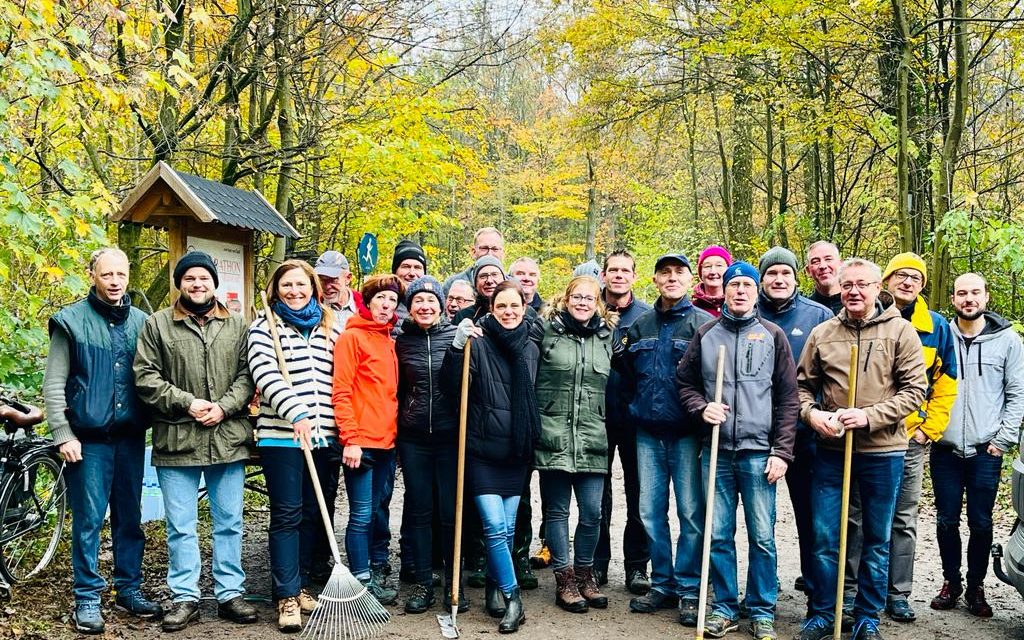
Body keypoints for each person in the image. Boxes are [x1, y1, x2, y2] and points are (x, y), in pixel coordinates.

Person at [795, 258, 927, 640]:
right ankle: (823, 611)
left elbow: (915, 392)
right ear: (839, 288)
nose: (854, 291)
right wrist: (813, 415)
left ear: (876, 288)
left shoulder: (901, 332)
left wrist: (868, 416)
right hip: (832, 453)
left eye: (863, 284)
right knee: (824, 535)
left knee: (876, 535)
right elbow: (802, 388)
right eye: (847, 284)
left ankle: (868, 616)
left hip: (883, 452)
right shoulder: (822, 333)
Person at [133, 251, 258, 631]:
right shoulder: (157, 325)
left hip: (228, 439)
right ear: (180, 283)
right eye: (190, 278)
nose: (197, 284)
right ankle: (184, 597)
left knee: (229, 521)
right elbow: (145, 377)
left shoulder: (237, 325)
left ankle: (229, 593)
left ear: (214, 283)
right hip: (177, 440)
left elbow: (247, 375)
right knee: (181, 525)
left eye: (204, 277)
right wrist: (187, 403)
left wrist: (223, 407)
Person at [677, 261, 799, 640]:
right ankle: (725, 606)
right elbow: (684, 384)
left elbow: (789, 399)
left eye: (748, 284)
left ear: (756, 290)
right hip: (716, 452)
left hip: (760, 453)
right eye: (735, 285)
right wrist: (702, 407)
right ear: (725, 291)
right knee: (718, 534)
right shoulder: (706, 333)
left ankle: (762, 609)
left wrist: (782, 451)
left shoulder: (773, 334)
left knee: (762, 535)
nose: (741, 291)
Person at [42, 247, 162, 634]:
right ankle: (88, 597)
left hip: (129, 439)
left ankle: (129, 588)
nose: (114, 282)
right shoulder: (71, 322)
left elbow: (155, 378)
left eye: (121, 275)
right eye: (107, 274)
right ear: (92, 274)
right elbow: (54, 384)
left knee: (130, 518)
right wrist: (63, 434)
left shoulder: (144, 323)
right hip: (87, 442)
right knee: (90, 521)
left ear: (129, 276)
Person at [844, 253, 958, 623]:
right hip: (865, 437)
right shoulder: (863, 319)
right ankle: (856, 592)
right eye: (901, 275)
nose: (908, 282)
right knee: (859, 517)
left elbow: (946, 385)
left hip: (909, 439)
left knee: (903, 518)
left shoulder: (935, 327)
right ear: (886, 282)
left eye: (916, 278)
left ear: (922, 285)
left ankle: (898, 593)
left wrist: (928, 430)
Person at [616, 252, 713, 626]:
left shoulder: (704, 326)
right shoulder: (639, 325)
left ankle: (690, 588)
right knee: (650, 513)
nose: (671, 278)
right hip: (647, 435)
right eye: (664, 273)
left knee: (690, 513)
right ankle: (663, 582)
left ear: (691, 280)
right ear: (654, 280)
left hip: (687, 434)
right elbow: (624, 375)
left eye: (679, 272)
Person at [247, 259, 343, 632]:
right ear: (276, 289)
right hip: (282, 436)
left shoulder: (330, 326)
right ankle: (285, 596)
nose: (295, 291)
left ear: (313, 288)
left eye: (301, 285)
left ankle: (300, 584)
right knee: (287, 514)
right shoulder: (264, 327)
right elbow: (266, 374)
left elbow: (340, 376)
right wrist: (297, 412)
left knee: (311, 514)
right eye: (287, 285)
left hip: (323, 437)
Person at [441, 280, 540, 634]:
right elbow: (452, 388)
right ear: (491, 309)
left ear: (524, 309)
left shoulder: (530, 347)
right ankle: (514, 598)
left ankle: (493, 589)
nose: (509, 312)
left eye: (515, 306)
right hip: (482, 449)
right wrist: (455, 348)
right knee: (495, 528)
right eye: (502, 306)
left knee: (509, 530)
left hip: (516, 451)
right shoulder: (475, 342)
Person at [930, 273, 1024, 617]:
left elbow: (1017, 394)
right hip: (945, 448)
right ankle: (951, 583)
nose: (968, 299)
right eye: (961, 293)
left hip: (987, 449)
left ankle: (976, 586)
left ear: (985, 297)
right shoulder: (941, 334)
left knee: (981, 522)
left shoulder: (1008, 341)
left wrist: (1003, 440)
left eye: (975, 293)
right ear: (953, 299)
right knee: (945, 520)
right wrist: (928, 428)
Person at [532, 275, 615, 613]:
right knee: (557, 510)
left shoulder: (607, 336)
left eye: (589, 298)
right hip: (553, 432)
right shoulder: (546, 332)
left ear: (598, 304)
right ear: (565, 299)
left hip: (593, 435)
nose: (582, 302)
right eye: (576, 297)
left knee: (593, 512)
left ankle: (585, 574)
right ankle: (564, 578)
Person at [755, 247, 832, 611]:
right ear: (762, 280)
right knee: (759, 524)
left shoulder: (819, 316)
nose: (779, 280)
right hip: (754, 434)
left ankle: (820, 597)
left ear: (796, 278)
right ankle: (759, 595)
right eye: (772, 274)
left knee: (813, 521)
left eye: (786, 273)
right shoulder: (745, 312)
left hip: (806, 435)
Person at [332, 274, 404, 608]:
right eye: (380, 299)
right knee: (361, 513)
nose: (386, 306)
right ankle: (361, 579)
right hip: (360, 442)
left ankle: (377, 569)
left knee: (379, 509)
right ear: (367, 302)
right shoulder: (352, 338)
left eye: (392, 301)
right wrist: (350, 439)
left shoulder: (389, 339)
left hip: (387, 442)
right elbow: (342, 391)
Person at [394, 276, 463, 614]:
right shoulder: (399, 341)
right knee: (420, 509)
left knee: (451, 512)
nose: (424, 306)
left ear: (441, 305)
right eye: (418, 301)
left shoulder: (456, 337)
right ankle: (423, 581)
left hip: (452, 438)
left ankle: (453, 582)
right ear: (410, 306)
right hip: (414, 438)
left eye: (430, 301)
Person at [594, 249, 652, 594]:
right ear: (604, 275)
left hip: (634, 419)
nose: (618, 275)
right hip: (597, 418)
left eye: (625, 270)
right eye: (612, 270)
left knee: (638, 494)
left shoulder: (645, 316)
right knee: (597, 496)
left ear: (634, 275)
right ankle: (597, 563)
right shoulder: (589, 310)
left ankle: (636, 566)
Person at [443, 227, 506, 294]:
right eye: (484, 248)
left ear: (503, 253)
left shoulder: (513, 286)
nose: (489, 254)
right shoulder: (452, 284)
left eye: (495, 249)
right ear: (473, 252)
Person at [453, 256, 507, 323]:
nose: (489, 281)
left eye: (494, 274)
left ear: (504, 280)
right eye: (483, 276)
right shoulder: (463, 316)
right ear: (475, 283)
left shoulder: (514, 312)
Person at [314, 250, 365, 322]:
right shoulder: (312, 308)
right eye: (322, 279)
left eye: (334, 280)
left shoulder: (367, 307)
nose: (327, 287)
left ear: (348, 278)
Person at [692, 245, 732, 317]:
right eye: (707, 266)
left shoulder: (739, 304)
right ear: (701, 273)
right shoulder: (691, 309)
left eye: (719, 265)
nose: (713, 272)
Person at [805, 241, 843, 315]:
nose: (823, 266)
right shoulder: (805, 310)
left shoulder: (856, 304)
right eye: (815, 262)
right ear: (808, 270)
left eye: (828, 259)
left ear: (840, 264)